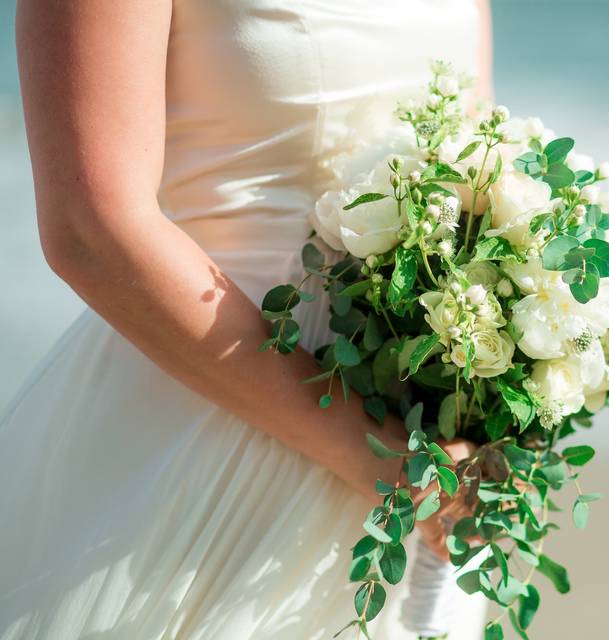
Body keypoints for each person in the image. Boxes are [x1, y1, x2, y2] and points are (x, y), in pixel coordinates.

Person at [1, 1, 493, 637]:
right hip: (201, 437)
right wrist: (375, 459)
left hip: (419, 467)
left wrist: (488, 401)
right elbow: (89, 229)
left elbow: (478, 174)